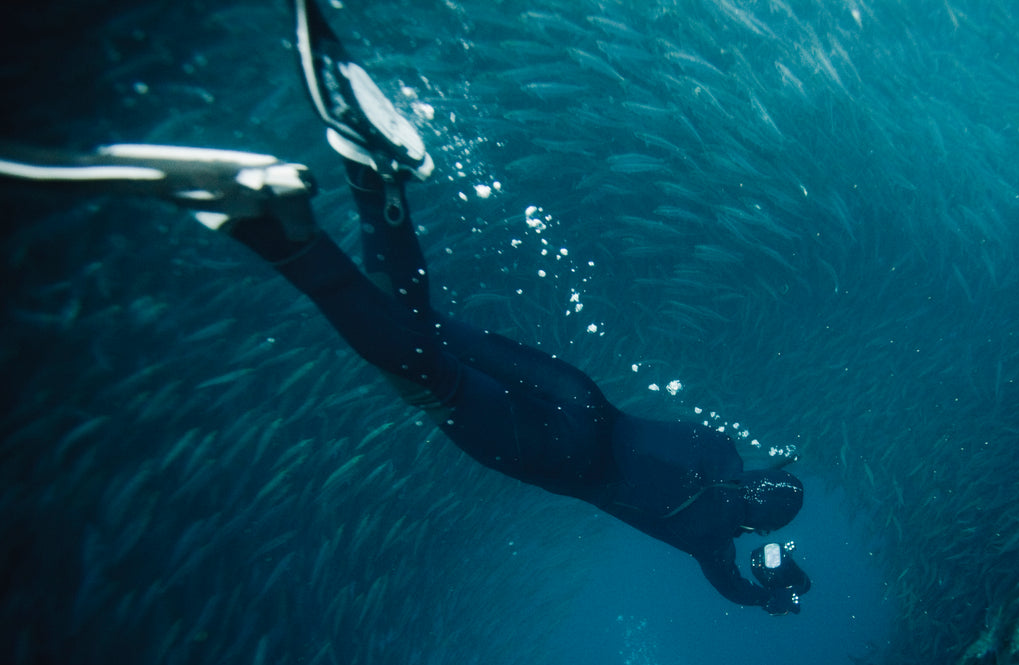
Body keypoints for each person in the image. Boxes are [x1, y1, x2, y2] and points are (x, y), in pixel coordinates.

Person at [0, 0, 812, 615]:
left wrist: (767, 510)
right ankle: (273, 228)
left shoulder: (724, 450)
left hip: (580, 398)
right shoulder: (713, 540)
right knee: (424, 373)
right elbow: (736, 589)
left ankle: (372, 170)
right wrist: (774, 589)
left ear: (763, 478)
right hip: (559, 456)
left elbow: (741, 487)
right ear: (756, 531)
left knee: (424, 327)